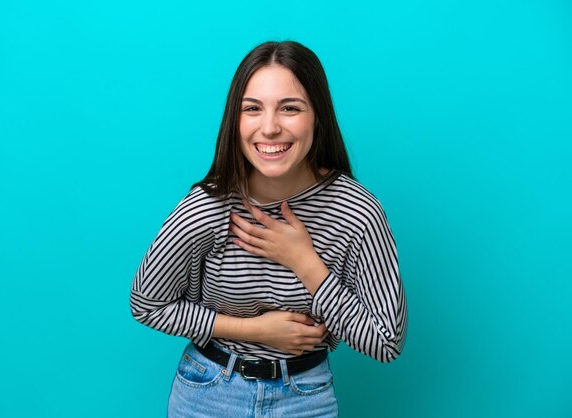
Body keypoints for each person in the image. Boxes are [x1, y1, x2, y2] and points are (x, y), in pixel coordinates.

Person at [130, 40, 407, 417]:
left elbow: (385, 342)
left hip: (306, 397)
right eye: (252, 109)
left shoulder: (356, 211)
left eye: (290, 108)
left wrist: (304, 261)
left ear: (317, 117)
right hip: (208, 393)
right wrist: (255, 330)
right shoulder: (206, 207)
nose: (270, 128)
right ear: (235, 120)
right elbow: (147, 304)